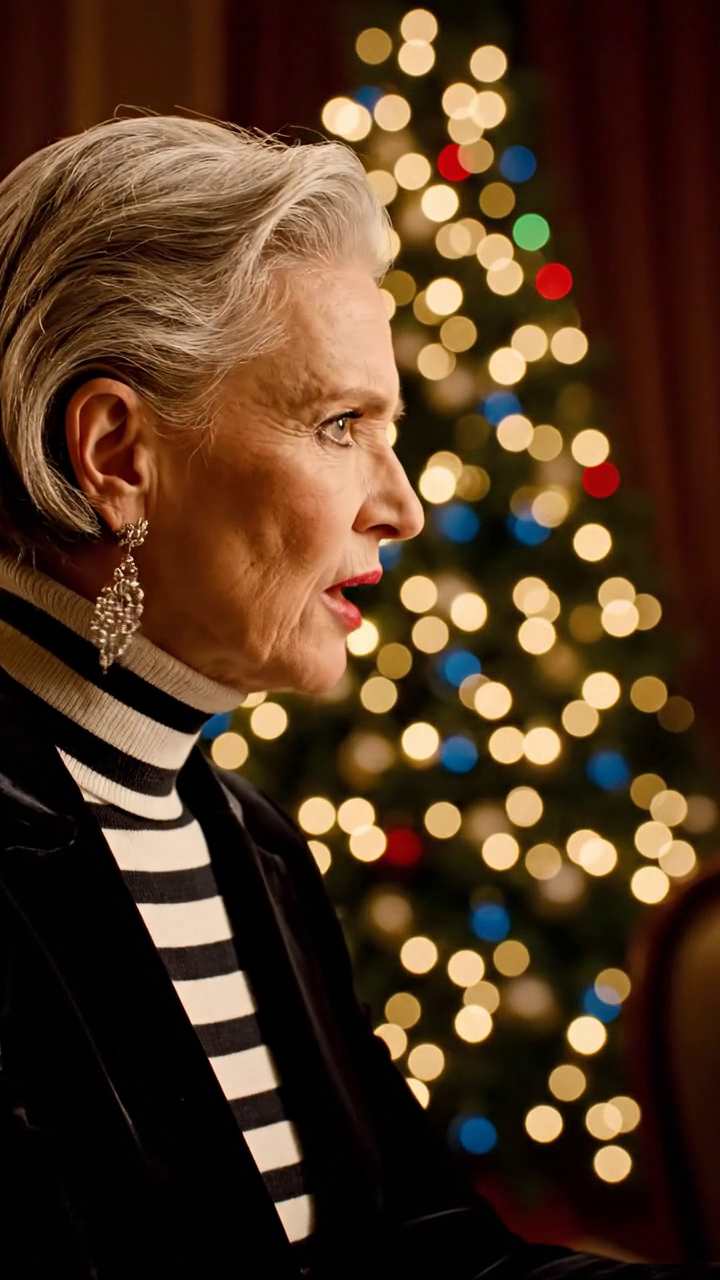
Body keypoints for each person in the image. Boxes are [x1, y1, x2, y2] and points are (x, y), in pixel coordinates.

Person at [0, 111, 710, 1279]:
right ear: (118, 453)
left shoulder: (254, 842)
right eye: (341, 424)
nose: (402, 505)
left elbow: (419, 1254)